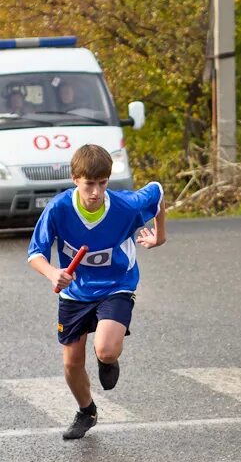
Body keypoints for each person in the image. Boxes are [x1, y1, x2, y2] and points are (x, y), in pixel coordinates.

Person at [27, 144, 166, 439]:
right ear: (75, 179)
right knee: (71, 363)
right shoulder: (59, 208)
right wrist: (54, 272)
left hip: (117, 284)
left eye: (102, 183)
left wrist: (160, 236)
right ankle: (86, 411)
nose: (96, 191)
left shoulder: (126, 206)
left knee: (105, 348)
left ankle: (107, 359)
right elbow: (35, 254)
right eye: (89, 184)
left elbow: (157, 192)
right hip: (75, 293)